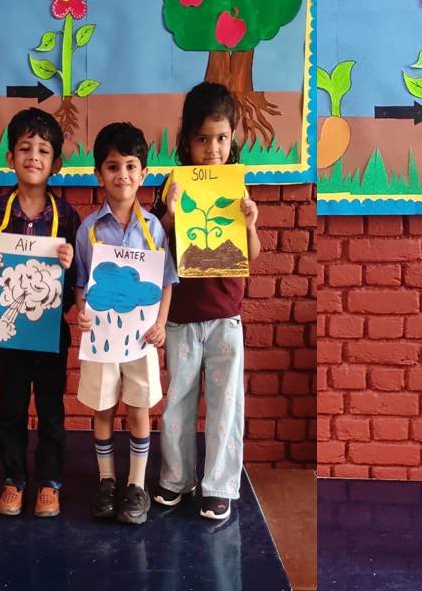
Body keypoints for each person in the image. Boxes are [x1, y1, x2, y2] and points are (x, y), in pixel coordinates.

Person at [152, 83, 261, 521]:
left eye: (221, 138)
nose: (213, 149)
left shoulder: (237, 186)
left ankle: (219, 486)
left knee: (225, 405)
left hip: (225, 317)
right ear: (187, 141)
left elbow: (252, 254)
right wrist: (169, 214)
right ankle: (176, 478)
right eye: (202, 139)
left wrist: (250, 225)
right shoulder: (173, 183)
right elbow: (153, 247)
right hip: (180, 316)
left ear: (233, 137)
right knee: (177, 400)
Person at [0, 108, 80, 518]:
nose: (33, 157)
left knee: (52, 410)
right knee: (11, 410)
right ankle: (14, 479)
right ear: (10, 157)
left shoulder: (66, 215)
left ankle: (50, 482)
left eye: (43, 150)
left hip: (51, 329)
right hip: (13, 331)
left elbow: (77, 276)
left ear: (56, 163)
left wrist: (69, 262)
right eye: (24, 148)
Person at [74, 122, 178, 524]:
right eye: (113, 166)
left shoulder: (154, 229)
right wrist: (81, 311)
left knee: (138, 409)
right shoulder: (88, 229)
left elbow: (166, 281)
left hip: (141, 340)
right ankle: (107, 480)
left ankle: (136, 484)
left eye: (131, 166)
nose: (123, 175)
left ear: (143, 173)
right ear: (99, 174)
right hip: (101, 338)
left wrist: (161, 323)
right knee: (102, 408)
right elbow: (81, 283)